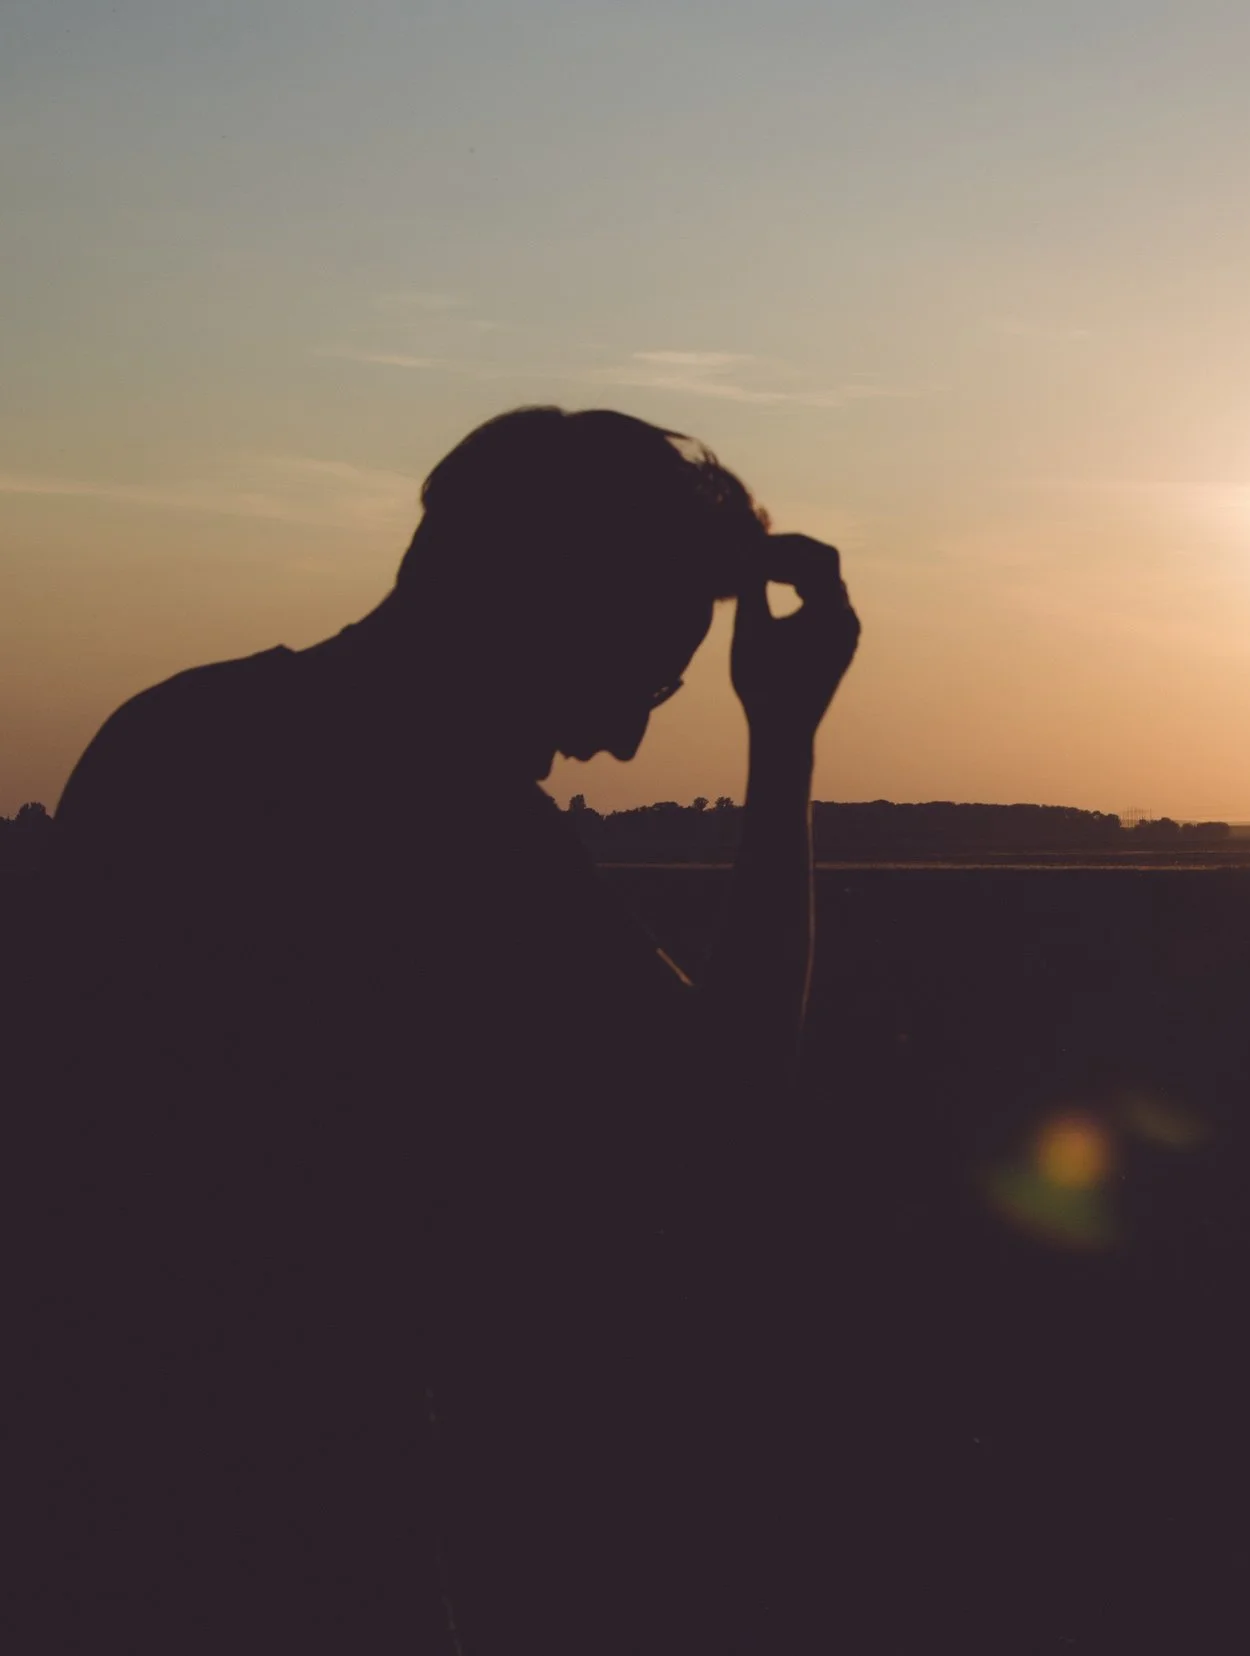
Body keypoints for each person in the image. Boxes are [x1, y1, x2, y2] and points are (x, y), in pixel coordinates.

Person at [9, 408, 859, 1652]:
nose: (618, 740)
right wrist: (781, 745)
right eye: (642, 676)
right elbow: (723, 1099)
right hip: (295, 1498)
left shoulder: (172, 730)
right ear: (552, 604)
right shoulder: (448, 823)